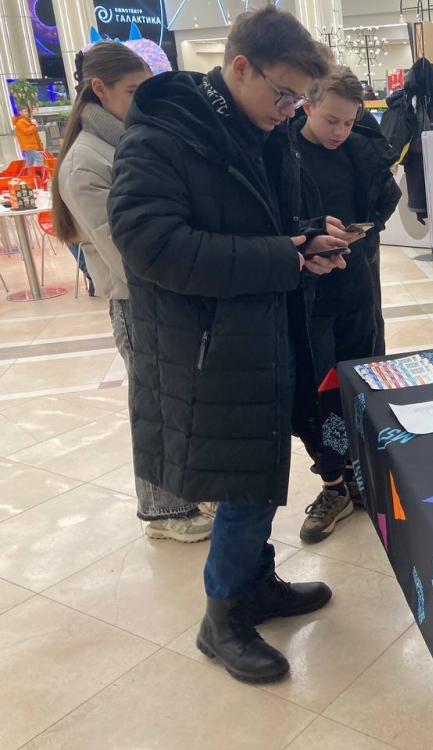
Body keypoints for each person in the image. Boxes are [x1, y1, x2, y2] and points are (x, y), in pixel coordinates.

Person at [107, 7, 350, 684]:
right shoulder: (164, 134)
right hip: (207, 345)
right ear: (240, 67)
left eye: (299, 100)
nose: (290, 110)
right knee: (242, 481)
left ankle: (256, 584)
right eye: (284, 94)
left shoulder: (260, 130)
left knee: (262, 469)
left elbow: (262, 223)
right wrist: (282, 257)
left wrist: (306, 239)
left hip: (262, 329)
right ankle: (222, 619)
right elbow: (152, 244)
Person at [52, 43, 215, 542]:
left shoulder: (134, 140)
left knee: (183, 400)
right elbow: (127, 253)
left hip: (169, 293)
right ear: (99, 90)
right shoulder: (86, 161)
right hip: (137, 300)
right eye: (132, 91)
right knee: (155, 407)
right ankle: (163, 511)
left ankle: (189, 491)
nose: (144, 100)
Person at [293, 64, 400, 543]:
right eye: (331, 120)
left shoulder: (360, 149)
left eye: (350, 121)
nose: (340, 131)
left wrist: (364, 229)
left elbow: (385, 196)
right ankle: (333, 483)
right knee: (318, 393)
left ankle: (360, 475)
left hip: (356, 287)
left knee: (361, 383)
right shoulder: (283, 153)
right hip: (308, 297)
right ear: (307, 106)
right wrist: (309, 233)